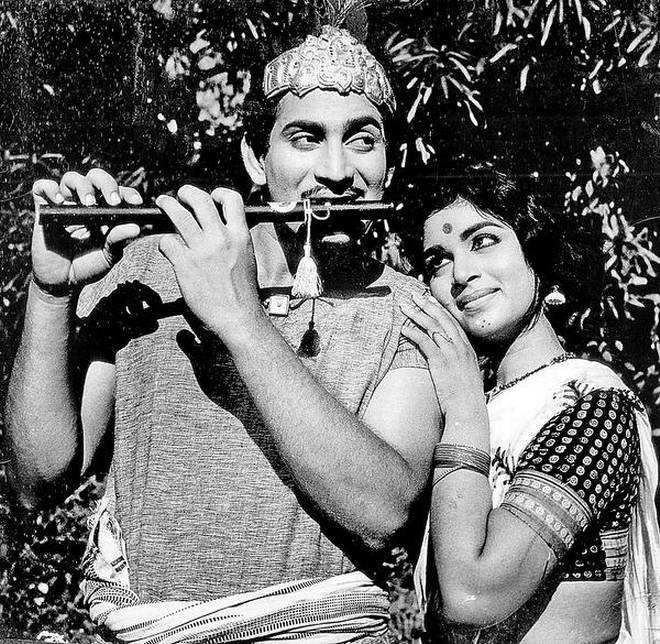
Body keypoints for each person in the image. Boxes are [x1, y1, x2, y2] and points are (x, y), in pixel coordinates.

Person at [4, 23, 441, 642]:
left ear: (389, 163)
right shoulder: (150, 267)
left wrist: (241, 322)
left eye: (362, 141)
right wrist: (50, 295)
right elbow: (38, 480)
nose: (337, 170)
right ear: (255, 159)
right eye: (306, 138)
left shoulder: (409, 310)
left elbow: (384, 512)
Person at [400, 165, 660, 643]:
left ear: (538, 257)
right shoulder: (468, 406)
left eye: (483, 241)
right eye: (438, 261)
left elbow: (472, 594)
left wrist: (464, 407)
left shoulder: (594, 406)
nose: (461, 274)